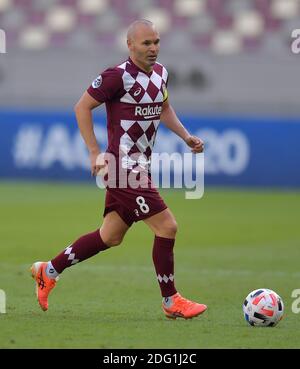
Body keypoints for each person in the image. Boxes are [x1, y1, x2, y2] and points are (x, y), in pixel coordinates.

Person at [30, 19, 207, 320]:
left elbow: (163, 108)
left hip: (141, 166)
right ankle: (171, 301)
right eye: (146, 43)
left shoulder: (161, 74)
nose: (153, 49)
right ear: (130, 45)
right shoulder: (117, 76)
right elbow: (81, 107)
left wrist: (185, 136)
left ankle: (47, 270)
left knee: (110, 236)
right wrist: (94, 152)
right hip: (122, 168)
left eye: (156, 42)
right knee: (167, 227)